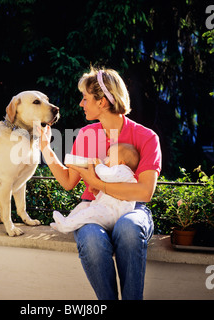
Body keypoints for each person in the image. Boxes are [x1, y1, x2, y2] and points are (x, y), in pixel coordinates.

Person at [38, 67, 162, 300]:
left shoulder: (146, 137)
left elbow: (144, 192)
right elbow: (68, 181)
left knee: (129, 228)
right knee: (92, 240)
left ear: (102, 102)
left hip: (132, 208)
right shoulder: (86, 135)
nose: (80, 104)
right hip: (95, 209)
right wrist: (46, 149)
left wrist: (97, 183)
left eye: (85, 98)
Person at [51, 143, 140, 234]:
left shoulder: (123, 170)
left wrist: (98, 165)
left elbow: (105, 175)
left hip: (113, 213)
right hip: (108, 210)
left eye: (109, 156)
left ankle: (66, 226)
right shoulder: (117, 176)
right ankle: (66, 222)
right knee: (84, 206)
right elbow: (108, 197)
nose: (105, 159)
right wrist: (96, 193)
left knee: (90, 212)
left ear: (121, 163)